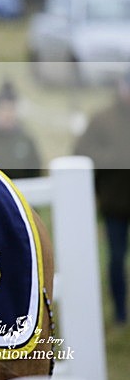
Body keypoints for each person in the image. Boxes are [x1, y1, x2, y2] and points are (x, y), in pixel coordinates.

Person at [74, 69, 130, 325]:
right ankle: (120, 313)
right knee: (116, 258)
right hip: (114, 205)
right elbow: (81, 155)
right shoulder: (101, 120)